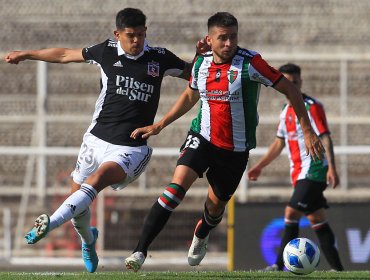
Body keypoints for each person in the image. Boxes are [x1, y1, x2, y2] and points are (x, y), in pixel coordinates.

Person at [4, 7, 205, 273]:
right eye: (131, 35)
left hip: (130, 146)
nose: (137, 41)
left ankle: (49, 224)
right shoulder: (106, 51)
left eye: (141, 35)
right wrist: (26, 54)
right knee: (78, 202)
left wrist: (200, 58)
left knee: (95, 182)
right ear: (117, 34)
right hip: (95, 139)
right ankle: (89, 242)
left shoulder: (159, 58)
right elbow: (65, 54)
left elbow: (195, 77)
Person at [124, 12, 325, 272]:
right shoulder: (201, 63)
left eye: (233, 37)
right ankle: (140, 251)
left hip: (235, 149)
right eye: (222, 38)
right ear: (210, 39)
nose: (229, 43)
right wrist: (160, 124)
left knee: (215, 208)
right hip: (202, 137)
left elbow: (290, 89)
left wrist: (307, 130)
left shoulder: (251, 63)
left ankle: (202, 232)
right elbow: (189, 95)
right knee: (175, 189)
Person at [248, 63, 344, 271]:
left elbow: (325, 137)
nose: (291, 86)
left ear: (300, 81)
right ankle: (338, 269)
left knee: (291, 213)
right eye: (287, 82)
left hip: (314, 170)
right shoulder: (285, 111)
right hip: (299, 173)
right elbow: (278, 143)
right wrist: (259, 166)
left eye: (295, 82)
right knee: (317, 219)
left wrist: (332, 168)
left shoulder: (312, 106)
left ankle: (278, 265)